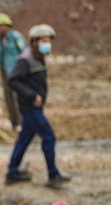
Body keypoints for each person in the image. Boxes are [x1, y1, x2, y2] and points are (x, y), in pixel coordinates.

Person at [6, 24, 70, 186]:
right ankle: (53, 175)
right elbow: (13, 80)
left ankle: (12, 171)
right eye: (43, 41)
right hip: (30, 107)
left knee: (25, 138)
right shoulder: (26, 59)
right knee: (48, 136)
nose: (46, 44)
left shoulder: (38, 58)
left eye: (48, 41)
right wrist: (31, 95)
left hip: (34, 107)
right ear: (34, 42)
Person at [0, 13, 27, 130]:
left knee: (17, 96)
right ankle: (14, 122)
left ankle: (22, 122)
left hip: (16, 70)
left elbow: (24, 52)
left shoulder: (15, 37)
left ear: (7, 26)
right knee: (8, 96)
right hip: (5, 71)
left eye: (2, 26)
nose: (0, 28)